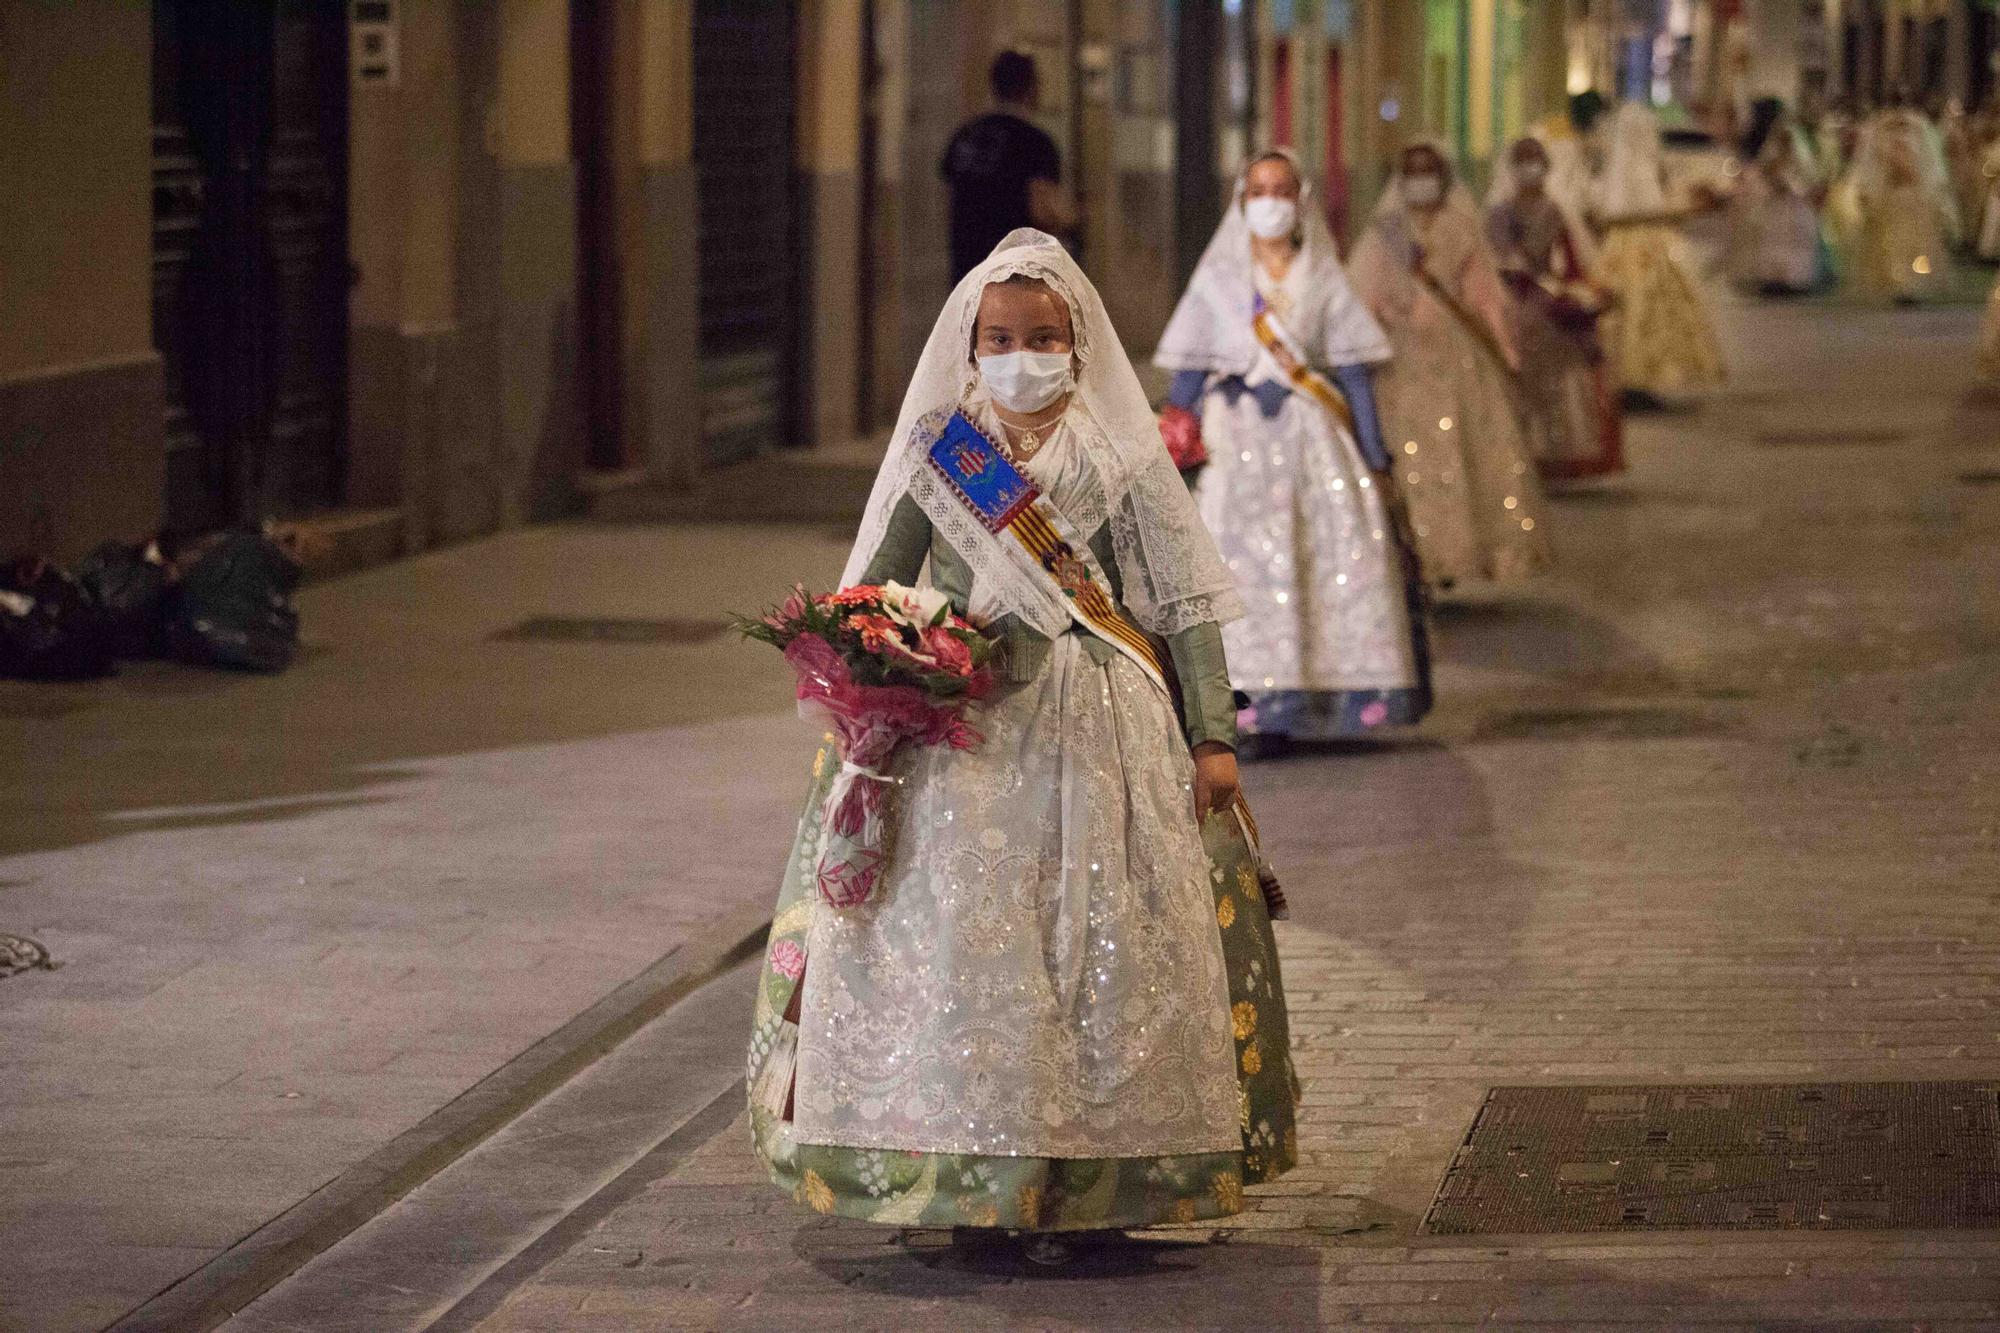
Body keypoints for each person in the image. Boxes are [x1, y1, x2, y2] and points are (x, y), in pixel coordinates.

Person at [748, 229, 1297, 1262]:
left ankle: (1091, 1178)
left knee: (1094, 944)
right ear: (970, 342)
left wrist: (1213, 734)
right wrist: (876, 666)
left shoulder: (1120, 457)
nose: (1020, 353)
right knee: (967, 946)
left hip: (1100, 723)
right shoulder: (940, 454)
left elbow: (1180, 605)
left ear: (1077, 345)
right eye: (1000, 335)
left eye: (1041, 335)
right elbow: (873, 585)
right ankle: (962, 1175)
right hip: (962, 727)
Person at [1154, 149, 1431, 744]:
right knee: (1236, 567)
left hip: (1311, 441)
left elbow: (1354, 373)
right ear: (1241, 201)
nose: (1269, 202)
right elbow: (1190, 373)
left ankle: (1320, 691)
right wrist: (1170, 445)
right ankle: (1241, 702)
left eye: (1280, 189)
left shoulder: (1322, 275)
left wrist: (1378, 459)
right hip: (1234, 444)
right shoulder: (1220, 279)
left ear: (1301, 200)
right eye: (1257, 190)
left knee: (1320, 558)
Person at [1347, 142, 1552, 588]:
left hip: (1457, 359)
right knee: (1405, 456)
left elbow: (1484, 297)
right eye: (1412, 171)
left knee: (1463, 454)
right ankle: (1414, 554)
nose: (1421, 180)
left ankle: (1455, 554)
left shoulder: (1463, 229)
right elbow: (1361, 295)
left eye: (1429, 171)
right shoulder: (1385, 234)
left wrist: (1505, 347)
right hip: (1398, 360)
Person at [1487, 135, 1625, 481]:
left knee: (1561, 376)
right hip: (1513, 304)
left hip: (1550, 306)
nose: (1529, 167)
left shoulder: (1556, 211)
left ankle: (1557, 453)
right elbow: (1494, 262)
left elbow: (1574, 261)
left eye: (1535, 158)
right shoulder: (1499, 214)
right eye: (1522, 159)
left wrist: (1584, 292)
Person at [1589, 101, 1728, 400]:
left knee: (1634, 312)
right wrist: (1685, 210)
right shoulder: (1639, 167)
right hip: (1646, 246)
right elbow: (1649, 209)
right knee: (1648, 312)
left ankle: (1631, 380)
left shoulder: (1621, 166)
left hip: (1621, 246)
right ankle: (1638, 379)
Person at [940, 52, 1077, 282]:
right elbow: (1042, 211)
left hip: (966, 273)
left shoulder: (964, 136)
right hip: (1013, 276)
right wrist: (1074, 219)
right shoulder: (1034, 141)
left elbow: (947, 204)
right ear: (1031, 88)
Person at [1834, 102, 1962, 303]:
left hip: (1910, 201)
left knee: (1913, 246)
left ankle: (1912, 284)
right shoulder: (1883, 139)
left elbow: (1917, 172)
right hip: (1896, 201)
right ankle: (1902, 285)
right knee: (1894, 245)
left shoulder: (1914, 137)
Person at [1728, 99, 1832, 295]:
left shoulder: (1800, 154)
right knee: (1772, 237)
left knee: (1796, 237)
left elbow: (1809, 177)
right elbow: (1766, 170)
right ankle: (1773, 278)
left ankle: (1795, 278)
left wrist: (1797, 187)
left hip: (1796, 204)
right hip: (1776, 203)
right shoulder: (1772, 153)